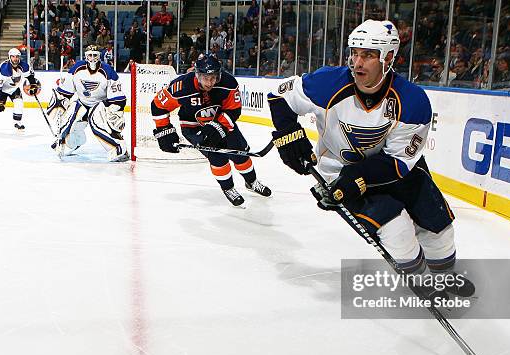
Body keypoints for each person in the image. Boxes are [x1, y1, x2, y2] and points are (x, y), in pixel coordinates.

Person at [267, 20, 472, 296]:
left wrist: (357, 178)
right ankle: (423, 284)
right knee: (397, 231)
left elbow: (399, 162)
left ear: (388, 58)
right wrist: (287, 134)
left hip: (391, 168)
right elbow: (280, 96)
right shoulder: (328, 83)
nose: (357, 62)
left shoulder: (412, 101)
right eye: (354, 53)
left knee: (439, 228)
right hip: (338, 171)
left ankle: (446, 277)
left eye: (368, 55)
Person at [150, 53, 271, 206]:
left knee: (240, 153)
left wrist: (217, 127)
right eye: (206, 78)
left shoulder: (228, 83)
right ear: (197, 75)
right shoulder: (181, 86)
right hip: (193, 126)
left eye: (214, 77)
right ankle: (228, 188)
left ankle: (252, 182)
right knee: (217, 157)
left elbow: (234, 110)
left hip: (221, 122)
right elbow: (157, 105)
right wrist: (164, 130)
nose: (210, 82)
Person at [47, 45, 128, 162]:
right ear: (85, 56)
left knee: (98, 125)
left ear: (99, 57)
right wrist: (60, 104)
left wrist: (116, 110)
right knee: (68, 120)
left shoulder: (108, 71)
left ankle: (119, 148)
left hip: (99, 104)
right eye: (90, 55)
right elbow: (65, 91)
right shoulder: (77, 68)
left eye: (95, 55)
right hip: (82, 102)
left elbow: (117, 98)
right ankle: (69, 142)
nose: (92, 58)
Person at [0, 48, 40, 130]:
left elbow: (29, 76)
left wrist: (33, 84)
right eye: (13, 56)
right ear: (9, 57)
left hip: (14, 88)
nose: (15, 59)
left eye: (17, 56)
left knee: (19, 102)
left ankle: (17, 122)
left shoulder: (24, 66)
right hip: (1, 90)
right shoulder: (4, 70)